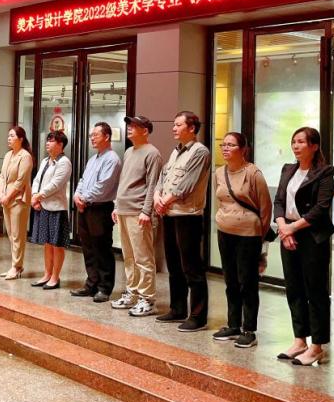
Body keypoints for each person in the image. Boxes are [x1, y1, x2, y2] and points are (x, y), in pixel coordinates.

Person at [273, 127, 334, 367]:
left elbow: (320, 208)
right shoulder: (288, 169)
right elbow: (279, 201)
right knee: (294, 288)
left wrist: (292, 228)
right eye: (293, 141)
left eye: (301, 142)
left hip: (311, 236)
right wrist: (283, 227)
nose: (296, 146)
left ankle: (317, 346)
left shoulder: (325, 173)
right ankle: (299, 340)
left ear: (314, 146)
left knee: (315, 291)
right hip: (288, 231)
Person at [211, 133, 272, 348]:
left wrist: (261, 238)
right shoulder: (219, 172)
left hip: (248, 234)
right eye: (223, 144)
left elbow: (265, 208)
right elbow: (220, 201)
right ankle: (233, 324)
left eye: (231, 145)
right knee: (230, 280)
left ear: (243, 149)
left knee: (247, 281)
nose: (225, 148)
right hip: (225, 231)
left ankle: (249, 329)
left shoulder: (253, 173)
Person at [153, 111, 212, 331]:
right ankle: (177, 308)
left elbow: (187, 184)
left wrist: (165, 201)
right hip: (169, 214)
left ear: (192, 128)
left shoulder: (200, 152)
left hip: (188, 216)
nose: (174, 128)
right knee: (174, 265)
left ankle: (198, 316)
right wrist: (157, 197)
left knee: (192, 267)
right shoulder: (175, 151)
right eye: (174, 124)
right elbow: (163, 177)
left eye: (178, 125)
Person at [111, 116, 163, 317]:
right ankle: (132, 292)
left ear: (145, 131)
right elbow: (124, 181)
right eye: (129, 125)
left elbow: (153, 185)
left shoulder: (152, 153)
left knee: (143, 257)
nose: (130, 128)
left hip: (139, 212)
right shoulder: (129, 152)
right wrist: (117, 206)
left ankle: (147, 298)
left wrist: (146, 211)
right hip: (124, 210)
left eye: (135, 126)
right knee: (129, 256)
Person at [70, 122, 121, 302]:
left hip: (100, 209)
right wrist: (77, 195)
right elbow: (82, 180)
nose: (92, 138)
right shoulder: (93, 159)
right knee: (88, 248)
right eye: (91, 135)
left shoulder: (112, 159)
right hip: (85, 208)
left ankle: (104, 288)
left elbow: (103, 186)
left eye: (95, 135)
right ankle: (91, 284)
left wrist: (84, 198)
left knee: (102, 248)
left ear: (107, 136)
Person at [29, 130, 73, 289]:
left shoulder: (64, 162)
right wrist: (34, 195)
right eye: (47, 140)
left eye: (51, 141)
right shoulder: (45, 161)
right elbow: (36, 180)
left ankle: (55, 277)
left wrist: (38, 196)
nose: (47, 143)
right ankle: (47, 274)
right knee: (47, 243)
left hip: (56, 209)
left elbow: (55, 184)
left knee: (57, 244)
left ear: (60, 144)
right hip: (43, 206)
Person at [0, 126, 33, 280]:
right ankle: (14, 264)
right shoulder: (8, 155)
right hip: (6, 198)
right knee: (11, 235)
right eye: (8, 135)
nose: (9, 138)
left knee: (18, 235)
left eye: (12, 136)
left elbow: (20, 182)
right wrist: (1, 194)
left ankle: (17, 266)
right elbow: (2, 177)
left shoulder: (25, 156)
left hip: (18, 199)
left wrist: (8, 196)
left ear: (21, 139)